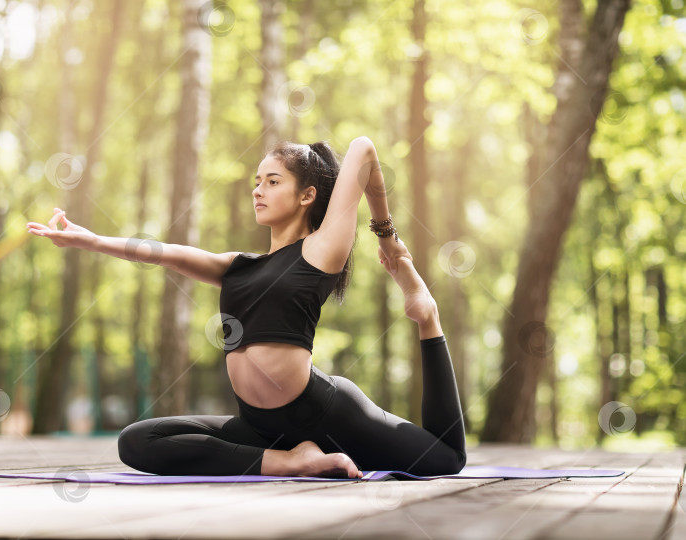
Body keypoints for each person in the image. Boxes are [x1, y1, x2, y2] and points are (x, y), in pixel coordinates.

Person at [26, 137, 466, 478]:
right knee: (137, 441)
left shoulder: (320, 250)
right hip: (260, 429)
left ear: (306, 195)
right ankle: (289, 462)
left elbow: (363, 149)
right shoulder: (237, 266)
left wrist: (387, 237)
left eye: (273, 181)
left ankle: (427, 316)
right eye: (257, 182)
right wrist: (90, 240)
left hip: (324, 414)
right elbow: (160, 252)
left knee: (445, 458)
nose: (258, 190)